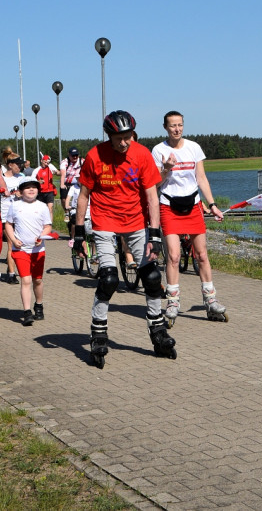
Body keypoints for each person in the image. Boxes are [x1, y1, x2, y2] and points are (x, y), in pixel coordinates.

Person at [72, 110, 175, 366]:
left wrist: (155, 233)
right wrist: (78, 234)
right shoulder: (95, 156)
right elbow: (84, 195)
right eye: (119, 138)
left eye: (128, 137)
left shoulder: (141, 154)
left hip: (135, 222)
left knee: (151, 277)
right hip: (104, 221)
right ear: (109, 135)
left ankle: (158, 332)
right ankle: (98, 333)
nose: (124, 143)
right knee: (109, 279)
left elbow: (152, 196)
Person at [152, 110, 228, 326]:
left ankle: (211, 300)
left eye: (180, 125)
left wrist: (212, 204)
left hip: (193, 205)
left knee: (202, 255)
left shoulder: (194, 148)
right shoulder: (159, 150)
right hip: (169, 206)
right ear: (165, 127)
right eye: (172, 125)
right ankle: (173, 302)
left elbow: (201, 178)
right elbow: (155, 183)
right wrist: (166, 169)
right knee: (174, 257)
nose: (177, 129)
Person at [5, 177, 53, 325]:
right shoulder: (15, 206)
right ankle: (27, 312)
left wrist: (42, 236)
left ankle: (38, 305)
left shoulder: (43, 206)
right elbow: (8, 224)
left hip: (38, 250)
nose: (31, 190)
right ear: (20, 191)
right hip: (20, 249)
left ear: (38, 190)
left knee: (37, 280)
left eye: (34, 187)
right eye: (27, 187)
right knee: (25, 280)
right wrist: (13, 240)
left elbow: (48, 226)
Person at [0, 156, 25, 284]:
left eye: (21, 165)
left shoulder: (21, 178)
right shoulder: (1, 178)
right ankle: (11, 274)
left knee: (21, 244)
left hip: (20, 215)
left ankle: (21, 269)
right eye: (17, 164)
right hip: (5, 216)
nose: (20, 167)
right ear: (10, 165)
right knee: (11, 244)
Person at [59, 146, 82, 231]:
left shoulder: (81, 161)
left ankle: (77, 218)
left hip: (77, 183)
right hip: (66, 183)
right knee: (65, 201)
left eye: (76, 155)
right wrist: (62, 184)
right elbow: (63, 174)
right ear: (69, 155)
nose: (75, 157)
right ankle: (67, 213)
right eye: (73, 155)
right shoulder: (65, 162)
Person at [35, 154, 59, 221]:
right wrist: (38, 181)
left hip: (50, 191)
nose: (46, 164)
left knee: (50, 208)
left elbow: (58, 172)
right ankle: (41, 223)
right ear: (41, 161)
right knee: (41, 209)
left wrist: (57, 173)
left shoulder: (50, 167)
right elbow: (31, 180)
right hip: (41, 192)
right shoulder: (37, 170)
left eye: (47, 162)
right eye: (45, 162)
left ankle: (50, 224)